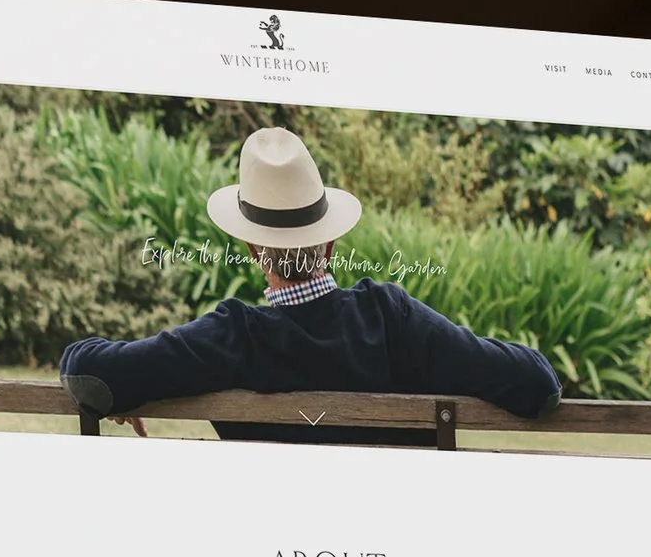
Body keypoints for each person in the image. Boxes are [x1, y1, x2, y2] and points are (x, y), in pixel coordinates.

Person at [58, 127, 561, 446]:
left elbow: (90, 374)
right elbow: (538, 387)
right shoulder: (392, 318)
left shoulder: (232, 337)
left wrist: (126, 393)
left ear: (253, 249)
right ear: (331, 244)